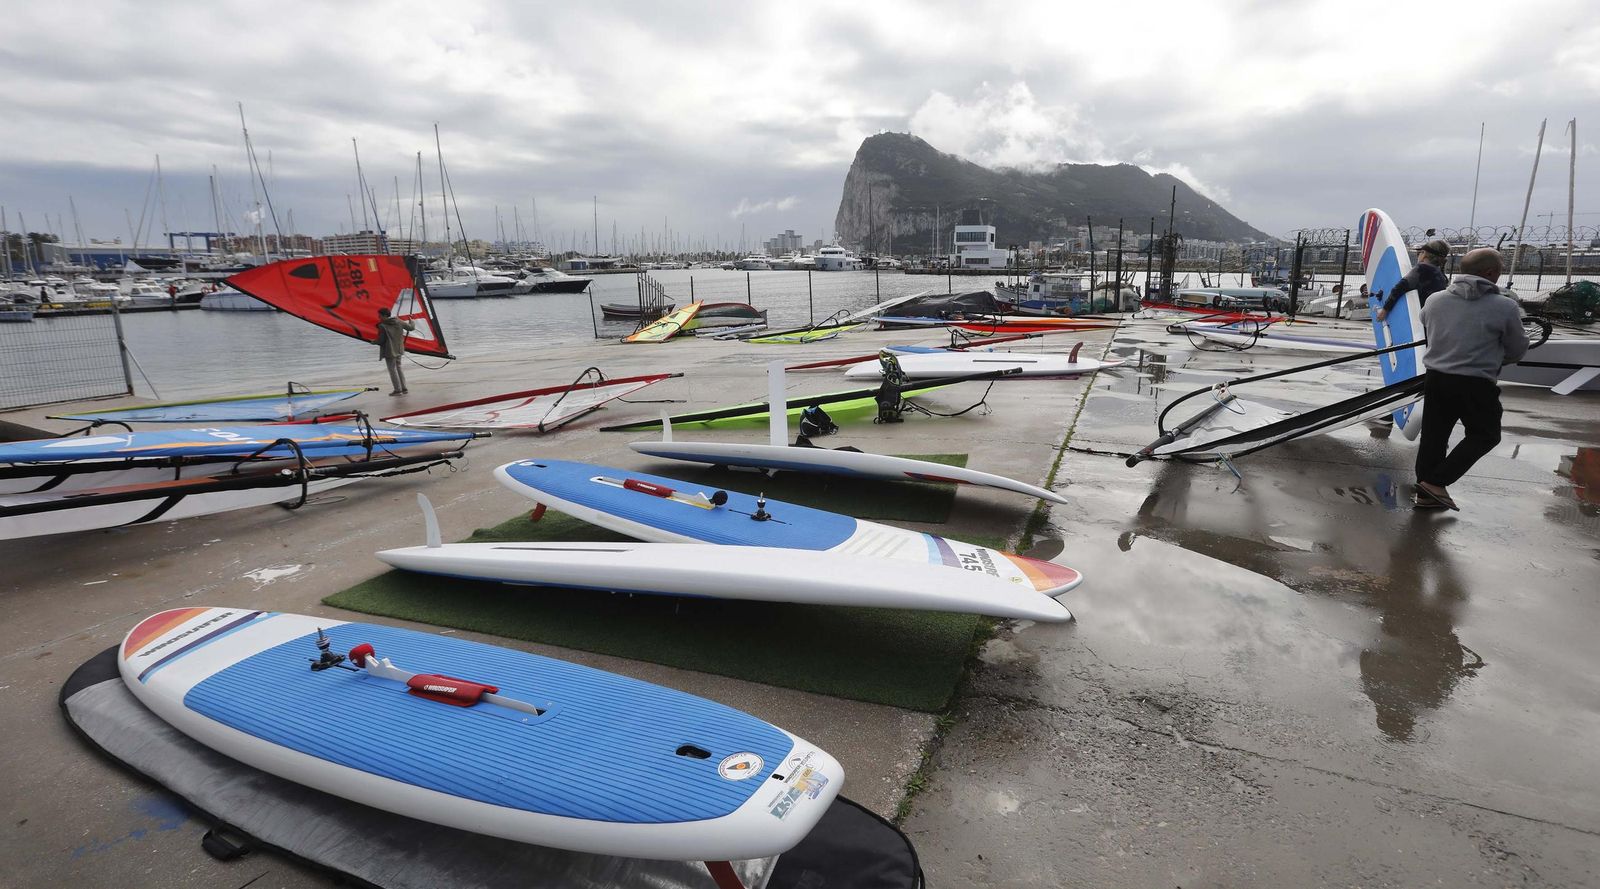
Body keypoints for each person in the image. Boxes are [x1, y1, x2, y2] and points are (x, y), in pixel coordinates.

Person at [1412, 247, 1528, 510]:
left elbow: (1427, 325)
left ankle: (1426, 494)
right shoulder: (1505, 306)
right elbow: (1517, 348)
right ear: (1490, 273)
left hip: (1437, 377)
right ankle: (1435, 482)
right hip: (1475, 382)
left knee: (1433, 437)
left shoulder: (1435, 300)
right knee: (1485, 434)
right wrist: (1498, 358)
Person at [1376, 239, 1450, 322]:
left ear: (1424, 254)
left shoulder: (1422, 268)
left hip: (1418, 318)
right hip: (1433, 319)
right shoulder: (1441, 275)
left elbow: (1400, 287)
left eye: (1419, 253)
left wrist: (1385, 310)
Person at [376, 307, 414, 396]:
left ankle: (397, 390)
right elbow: (411, 328)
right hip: (399, 349)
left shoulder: (382, 326)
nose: (379, 317)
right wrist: (411, 320)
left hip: (390, 351)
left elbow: (381, 341)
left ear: (385, 316)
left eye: (380, 316)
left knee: (392, 370)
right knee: (399, 368)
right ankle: (404, 388)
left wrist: (373, 341)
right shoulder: (398, 321)